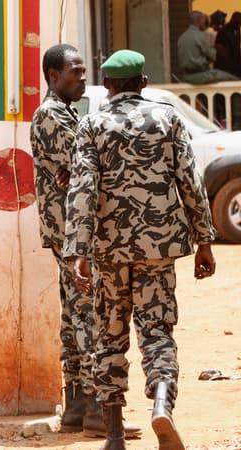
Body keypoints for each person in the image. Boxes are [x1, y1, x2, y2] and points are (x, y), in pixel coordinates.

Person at [63, 49, 217, 450]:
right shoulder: (167, 118)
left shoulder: (92, 123)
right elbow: (191, 183)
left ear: (108, 85)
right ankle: (162, 403)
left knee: (109, 338)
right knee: (157, 331)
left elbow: (82, 189)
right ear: (143, 83)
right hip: (158, 247)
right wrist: (204, 240)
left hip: (108, 251)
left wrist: (77, 249)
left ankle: (114, 436)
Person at [30, 43, 141, 439]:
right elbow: (94, 159)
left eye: (83, 69)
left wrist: (75, 169)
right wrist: (79, 166)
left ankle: (77, 408)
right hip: (74, 235)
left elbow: (80, 165)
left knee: (74, 316)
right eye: (75, 70)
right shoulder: (51, 115)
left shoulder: (68, 114)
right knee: (91, 317)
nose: (83, 76)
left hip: (71, 232)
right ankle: (97, 408)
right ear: (52, 76)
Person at [176, 11, 237, 84]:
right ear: (201, 21)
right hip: (199, 76)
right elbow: (213, 56)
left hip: (185, 76)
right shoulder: (200, 35)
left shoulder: (182, 37)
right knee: (232, 78)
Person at [214, 11, 241, 77]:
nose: (239, 25)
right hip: (226, 66)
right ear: (232, 20)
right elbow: (219, 49)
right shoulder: (224, 30)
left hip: (236, 65)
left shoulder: (237, 30)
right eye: (237, 23)